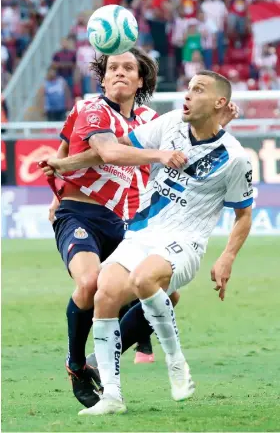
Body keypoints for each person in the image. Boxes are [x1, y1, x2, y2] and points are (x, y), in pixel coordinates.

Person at [72, 70, 253, 416]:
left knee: (143, 280)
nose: (187, 94)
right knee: (105, 292)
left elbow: (243, 214)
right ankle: (111, 396)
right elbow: (118, 149)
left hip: (185, 242)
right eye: (187, 87)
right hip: (142, 233)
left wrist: (227, 256)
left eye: (197, 90)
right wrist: (72, 159)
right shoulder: (169, 123)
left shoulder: (236, 157)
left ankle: (176, 363)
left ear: (219, 102)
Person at [40, 48, 187, 409]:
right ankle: (76, 364)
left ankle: (97, 359)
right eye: (112, 68)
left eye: (128, 68)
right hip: (80, 214)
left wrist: (220, 116)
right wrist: (59, 193)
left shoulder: (150, 120)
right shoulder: (92, 109)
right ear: (102, 78)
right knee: (89, 284)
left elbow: (190, 133)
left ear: (141, 81)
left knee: (165, 295)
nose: (119, 73)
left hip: (124, 224)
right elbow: (106, 151)